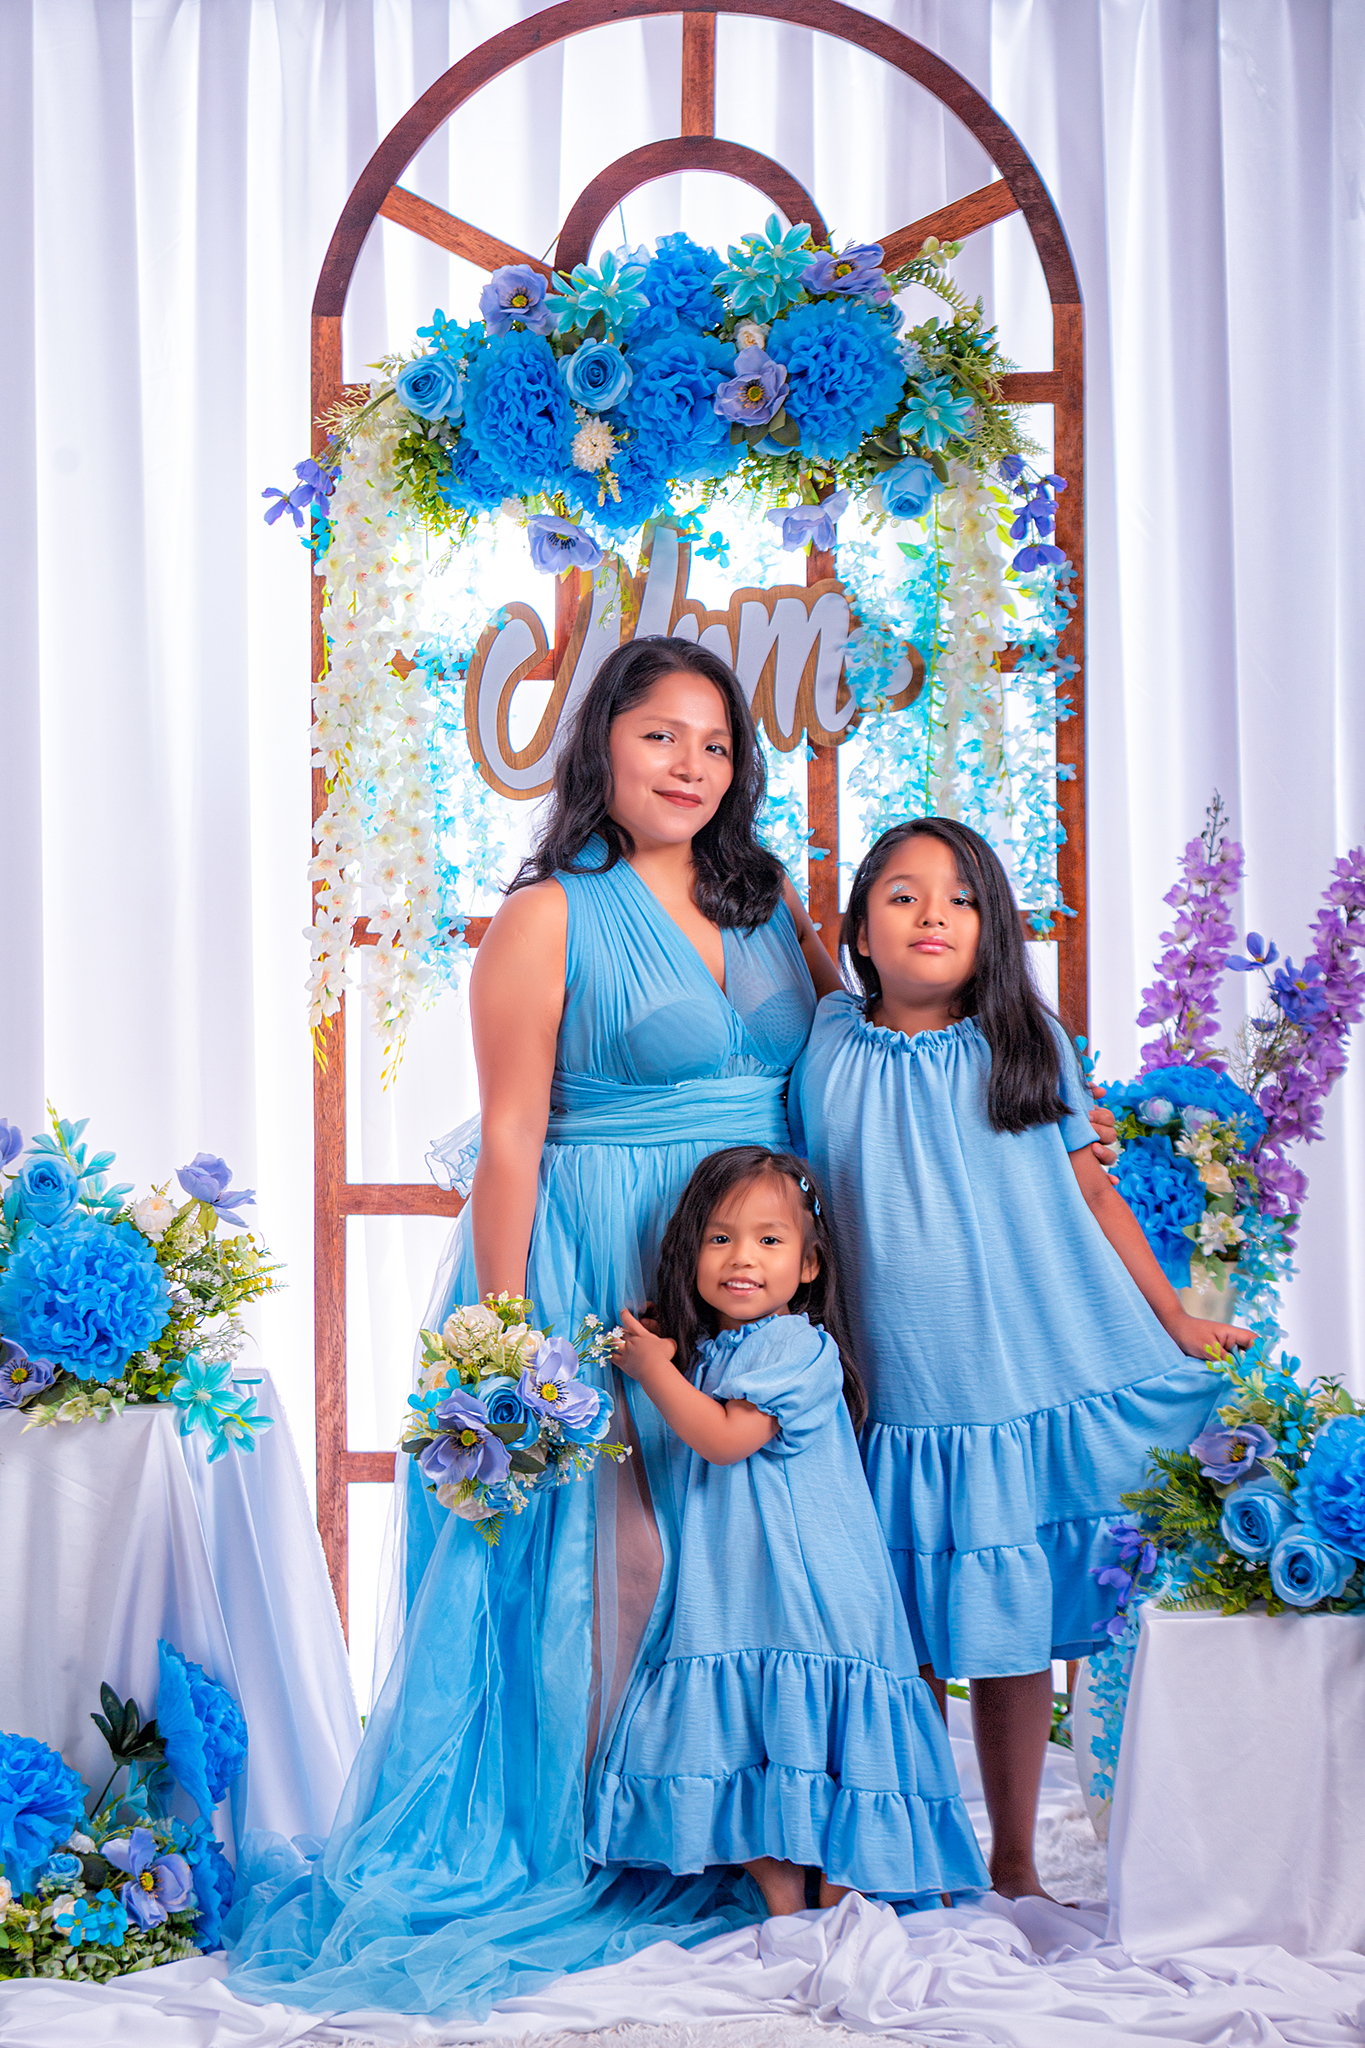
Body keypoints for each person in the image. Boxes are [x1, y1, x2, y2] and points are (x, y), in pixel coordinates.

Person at [226, 636, 842, 2018]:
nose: (690, 766)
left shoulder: (766, 903)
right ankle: (602, 1826)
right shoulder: (550, 914)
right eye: (660, 736)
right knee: (615, 1556)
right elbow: (510, 1136)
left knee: (744, 1543)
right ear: (600, 744)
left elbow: (844, 1059)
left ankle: (747, 1813)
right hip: (605, 1250)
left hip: (757, 1260)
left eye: (716, 744)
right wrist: (504, 1338)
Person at [789, 818, 1252, 1902]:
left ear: (992, 925)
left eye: (961, 897)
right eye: (902, 895)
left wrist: (1175, 1319)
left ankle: (1013, 1858)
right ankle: (911, 1848)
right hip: (897, 1391)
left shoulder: (1026, 1039)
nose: (933, 914)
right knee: (898, 1627)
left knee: (1009, 1630)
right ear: (859, 930)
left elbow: (1092, 1190)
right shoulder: (824, 1041)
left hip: (1023, 1368)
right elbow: (796, 955)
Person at [591, 1146, 988, 1913]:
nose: (742, 1257)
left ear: (807, 1266)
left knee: (821, 1743)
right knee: (750, 1742)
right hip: (743, 1591)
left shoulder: (794, 1344)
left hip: (813, 1593)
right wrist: (673, 1358)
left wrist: (652, 1369)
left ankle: (844, 1893)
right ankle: (784, 1898)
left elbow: (724, 1438)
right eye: (719, 1238)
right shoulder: (721, 1351)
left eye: (768, 1240)